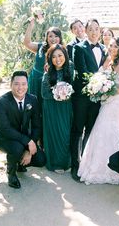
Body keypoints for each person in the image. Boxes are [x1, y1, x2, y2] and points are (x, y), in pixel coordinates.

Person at [78, 37, 119, 185]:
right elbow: (101, 75)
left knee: (110, 128)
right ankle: (97, 165)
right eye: (111, 45)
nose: (113, 48)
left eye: (116, 46)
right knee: (102, 128)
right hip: (108, 98)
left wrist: (110, 93)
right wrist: (100, 87)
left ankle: (113, 167)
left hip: (117, 100)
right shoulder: (108, 59)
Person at [0, 71, 46, 189]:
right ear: (11, 84)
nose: (20, 87)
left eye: (23, 84)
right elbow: (5, 129)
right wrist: (28, 142)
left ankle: (20, 163)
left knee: (41, 160)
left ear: (27, 85)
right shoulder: (1, 102)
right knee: (17, 148)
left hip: (22, 137)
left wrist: (29, 150)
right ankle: (11, 173)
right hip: (3, 137)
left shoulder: (33, 100)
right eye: (16, 84)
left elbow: (37, 126)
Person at [70, 19, 108, 181]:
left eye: (96, 29)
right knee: (78, 130)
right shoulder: (78, 48)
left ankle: (85, 163)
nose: (94, 32)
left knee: (91, 131)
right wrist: (99, 83)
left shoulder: (104, 49)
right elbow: (83, 72)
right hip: (82, 97)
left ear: (100, 31)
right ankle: (74, 163)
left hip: (98, 98)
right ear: (85, 31)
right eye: (90, 29)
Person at [41, 44, 73, 173]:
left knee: (65, 134)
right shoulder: (48, 72)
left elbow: (73, 87)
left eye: (60, 55)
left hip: (65, 107)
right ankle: (55, 163)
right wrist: (58, 93)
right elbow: (44, 94)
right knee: (53, 134)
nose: (57, 59)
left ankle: (66, 161)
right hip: (52, 108)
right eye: (53, 57)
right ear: (50, 58)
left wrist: (67, 92)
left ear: (65, 56)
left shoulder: (70, 68)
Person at [23, 20, 63, 113]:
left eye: (56, 36)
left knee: (47, 108)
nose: (53, 39)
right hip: (36, 80)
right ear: (46, 38)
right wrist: (30, 26)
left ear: (60, 38)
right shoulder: (40, 47)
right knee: (34, 106)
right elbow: (27, 43)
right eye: (50, 36)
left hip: (51, 82)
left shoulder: (62, 50)